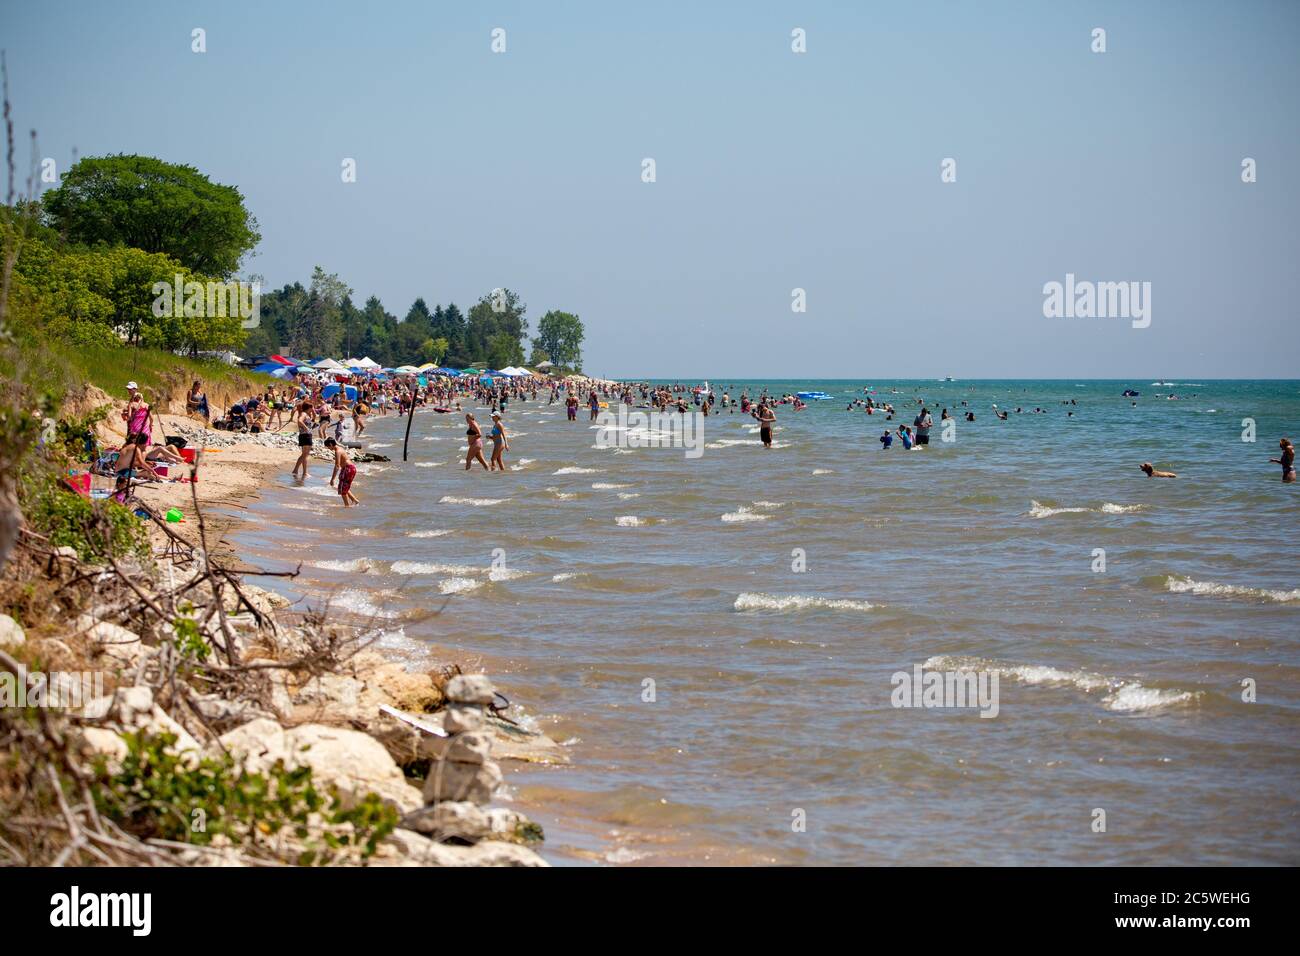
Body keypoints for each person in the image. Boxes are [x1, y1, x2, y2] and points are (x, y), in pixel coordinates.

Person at [325, 438, 359, 506]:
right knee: (344, 487)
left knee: (342, 489)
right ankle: (354, 500)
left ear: (331, 444)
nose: (328, 448)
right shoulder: (340, 448)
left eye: (328, 446)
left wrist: (332, 479)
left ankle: (347, 506)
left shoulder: (337, 451)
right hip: (352, 468)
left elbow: (337, 465)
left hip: (347, 469)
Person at [292, 401, 314, 480]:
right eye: (312, 407)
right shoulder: (304, 414)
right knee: (305, 455)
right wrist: (306, 428)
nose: (313, 409)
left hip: (304, 435)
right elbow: (299, 421)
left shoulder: (305, 414)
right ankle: (304, 472)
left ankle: (296, 470)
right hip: (306, 435)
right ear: (309, 408)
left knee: (304, 455)